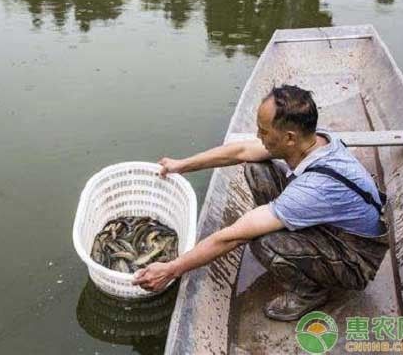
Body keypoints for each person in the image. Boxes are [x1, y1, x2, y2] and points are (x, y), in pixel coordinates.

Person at [132, 84, 389, 321]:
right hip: (331, 225)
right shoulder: (316, 140)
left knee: (262, 240)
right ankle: (283, 227)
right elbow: (240, 151)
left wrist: (172, 269)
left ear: (289, 137)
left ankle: (310, 292)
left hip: (355, 260)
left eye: (263, 131)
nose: (258, 135)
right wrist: (181, 165)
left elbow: (232, 237)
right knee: (256, 166)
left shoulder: (314, 189)